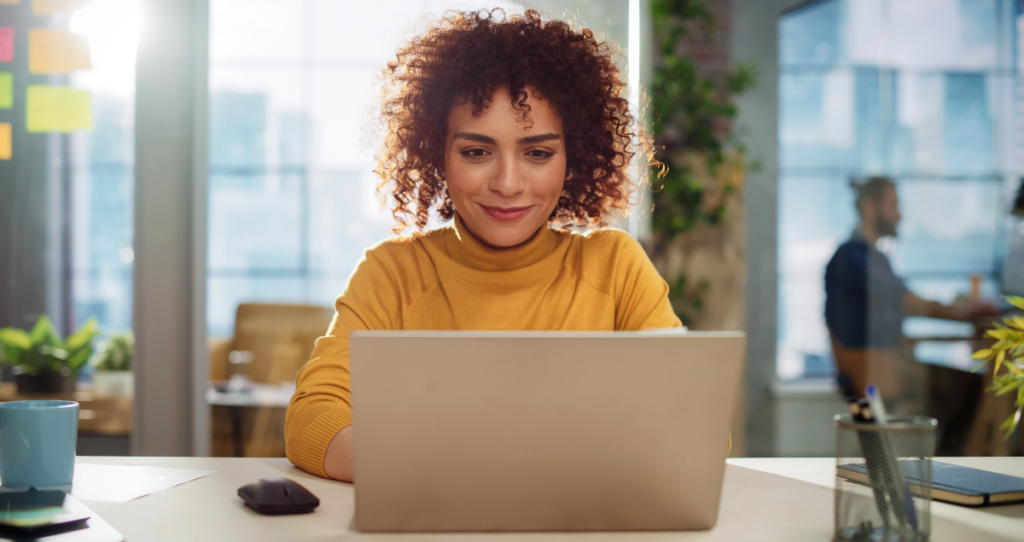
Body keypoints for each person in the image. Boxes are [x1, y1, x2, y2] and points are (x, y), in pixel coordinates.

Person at [284, 9, 682, 482]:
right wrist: (464, 471)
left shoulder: (615, 267)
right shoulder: (391, 273)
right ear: (438, 155)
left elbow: (690, 429)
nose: (508, 183)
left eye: (538, 153)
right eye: (476, 152)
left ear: (573, 157)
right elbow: (313, 419)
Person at [824, 176, 996, 453]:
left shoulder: (874, 257)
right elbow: (906, 300)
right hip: (874, 373)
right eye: (893, 205)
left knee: (970, 387)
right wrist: (963, 314)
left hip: (887, 363)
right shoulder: (852, 256)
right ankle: (950, 472)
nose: (899, 214)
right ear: (870, 208)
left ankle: (944, 470)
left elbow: (896, 305)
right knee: (974, 387)